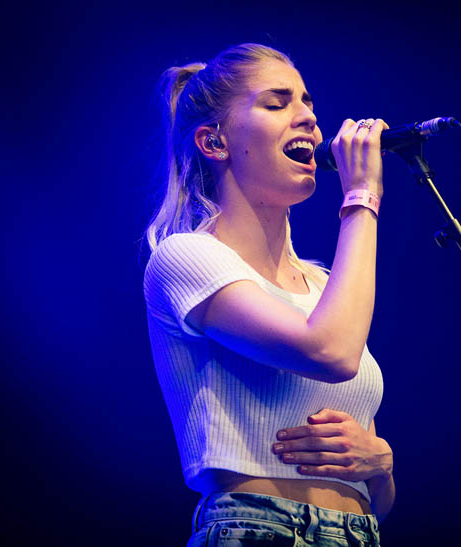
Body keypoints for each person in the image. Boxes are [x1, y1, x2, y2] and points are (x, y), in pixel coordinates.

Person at [143, 43, 394, 546]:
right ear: (215, 142)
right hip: (258, 529)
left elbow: (374, 503)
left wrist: (380, 465)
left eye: (308, 103)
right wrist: (361, 198)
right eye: (278, 104)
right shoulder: (185, 257)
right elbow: (330, 351)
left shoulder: (325, 287)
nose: (309, 120)